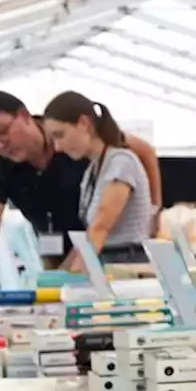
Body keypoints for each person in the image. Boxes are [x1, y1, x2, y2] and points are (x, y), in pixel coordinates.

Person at [0, 91, 162, 288]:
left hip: (105, 255)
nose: (1, 145)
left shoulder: (73, 133)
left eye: (4, 132)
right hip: (66, 252)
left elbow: (143, 151)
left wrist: (154, 210)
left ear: (24, 116)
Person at [41, 91, 155, 269]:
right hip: (108, 260)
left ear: (84, 123)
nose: (57, 147)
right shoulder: (93, 170)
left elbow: (101, 226)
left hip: (127, 264)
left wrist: (74, 277)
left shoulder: (121, 162)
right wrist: (60, 274)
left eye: (60, 135)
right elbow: (91, 233)